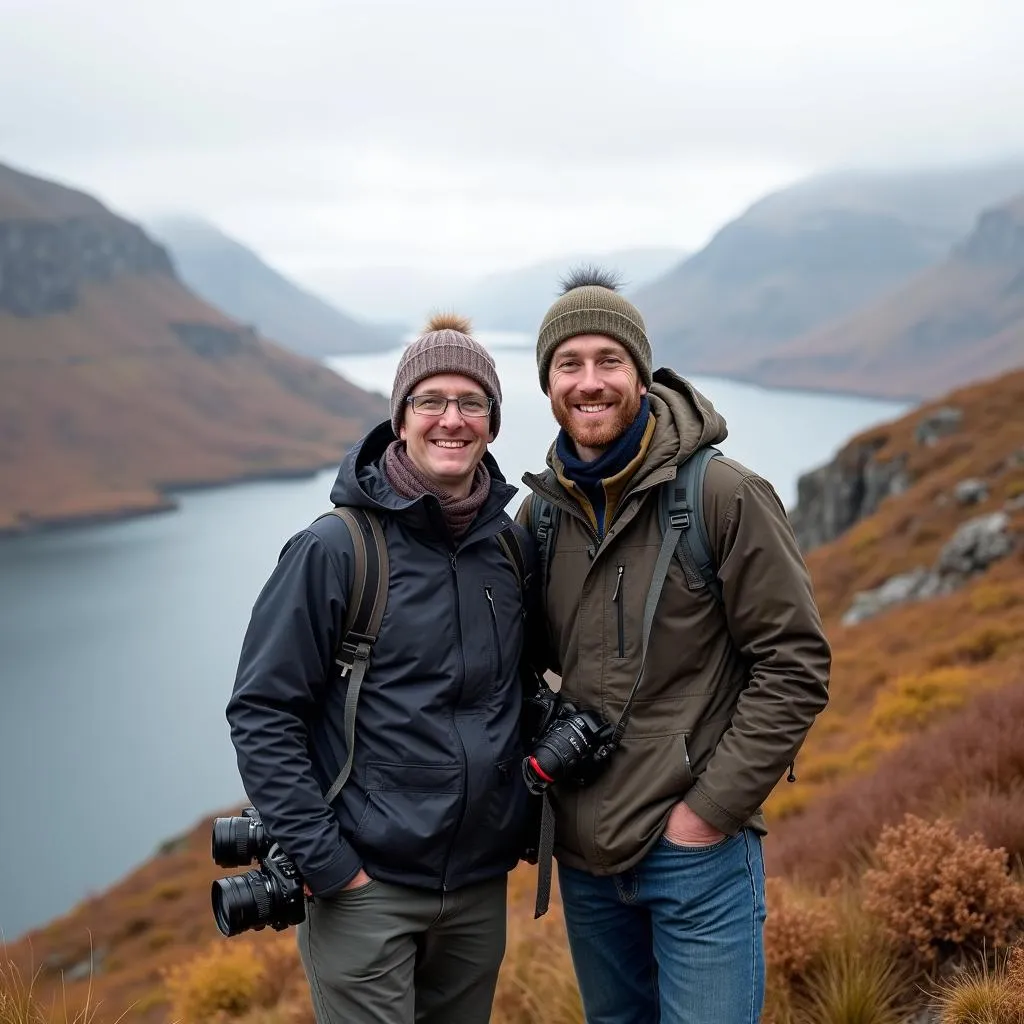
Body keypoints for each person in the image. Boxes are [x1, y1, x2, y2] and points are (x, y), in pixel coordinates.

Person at [516, 268, 832, 1024]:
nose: (590, 382)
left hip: (698, 860)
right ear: (548, 383)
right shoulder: (540, 517)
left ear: (640, 370)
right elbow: (510, 670)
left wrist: (708, 815)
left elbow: (795, 664)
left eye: (608, 361)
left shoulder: (722, 496)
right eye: (570, 364)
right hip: (587, 867)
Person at [226, 313, 533, 1024]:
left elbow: (522, 692)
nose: (450, 420)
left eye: (471, 403)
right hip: (368, 890)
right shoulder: (335, 550)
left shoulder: (509, 550)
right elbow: (262, 714)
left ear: (492, 422)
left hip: (478, 890)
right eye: (431, 402)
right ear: (401, 420)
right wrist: (336, 870)